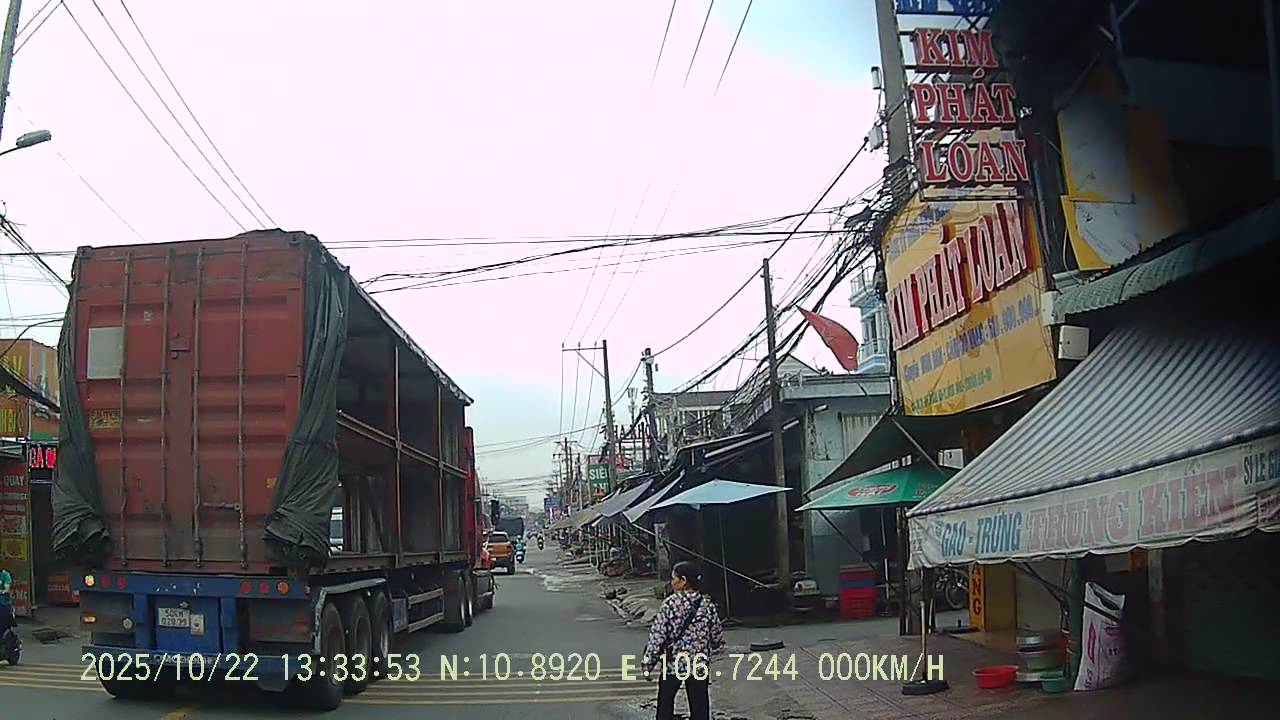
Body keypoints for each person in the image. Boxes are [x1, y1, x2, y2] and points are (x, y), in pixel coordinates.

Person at [642, 561, 724, 720]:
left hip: (673, 664)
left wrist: (648, 664)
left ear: (684, 581)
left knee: (665, 704)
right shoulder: (706, 605)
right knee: (700, 706)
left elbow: (657, 637)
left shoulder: (670, 604)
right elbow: (716, 635)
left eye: (674, 579)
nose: (671, 582)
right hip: (699, 664)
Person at [0, 568, 15, 635]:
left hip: (3, 604)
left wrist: (2, 591)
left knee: (4, 626)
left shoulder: (5, 575)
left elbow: (6, 589)